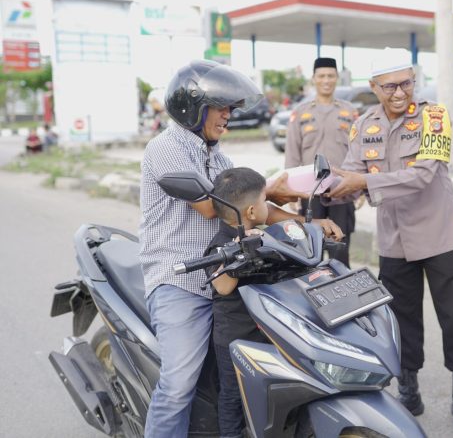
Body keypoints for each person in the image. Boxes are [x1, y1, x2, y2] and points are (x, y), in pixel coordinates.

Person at [138, 60, 330, 438]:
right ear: (192, 107)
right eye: (221, 107)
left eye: (231, 108)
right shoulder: (165, 149)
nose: (228, 115)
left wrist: (309, 224)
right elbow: (216, 206)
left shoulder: (218, 156)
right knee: (177, 387)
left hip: (227, 277)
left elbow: (250, 205)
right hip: (181, 281)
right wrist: (271, 188)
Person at [325, 47, 453, 434]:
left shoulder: (434, 116)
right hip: (394, 241)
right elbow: (356, 175)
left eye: (407, 83)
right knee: (401, 319)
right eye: (390, 86)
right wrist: (331, 187)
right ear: (373, 87)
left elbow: (424, 175)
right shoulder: (363, 125)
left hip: (440, 234)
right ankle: (409, 388)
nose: (400, 93)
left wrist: (362, 182)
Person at [205, 167, 270, 438]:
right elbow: (222, 285)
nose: (269, 206)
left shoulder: (262, 236)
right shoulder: (219, 245)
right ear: (252, 212)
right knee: (233, 397)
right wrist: (240, 249)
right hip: (234, 338)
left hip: (265, 331)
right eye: (266, 200)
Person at [284, 57, 359, 266]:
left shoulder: (349, 111)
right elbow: (292, 151)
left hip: (341, 191)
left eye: (331, 76)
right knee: (310, 250)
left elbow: (358, 150)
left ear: (337, 78)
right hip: (310, 193)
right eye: (322, 76)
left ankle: (342, 292)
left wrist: (360, 187)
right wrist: (290, 190)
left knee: (340, 249)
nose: (326, 80)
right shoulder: (301, 112)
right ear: (314, 79)